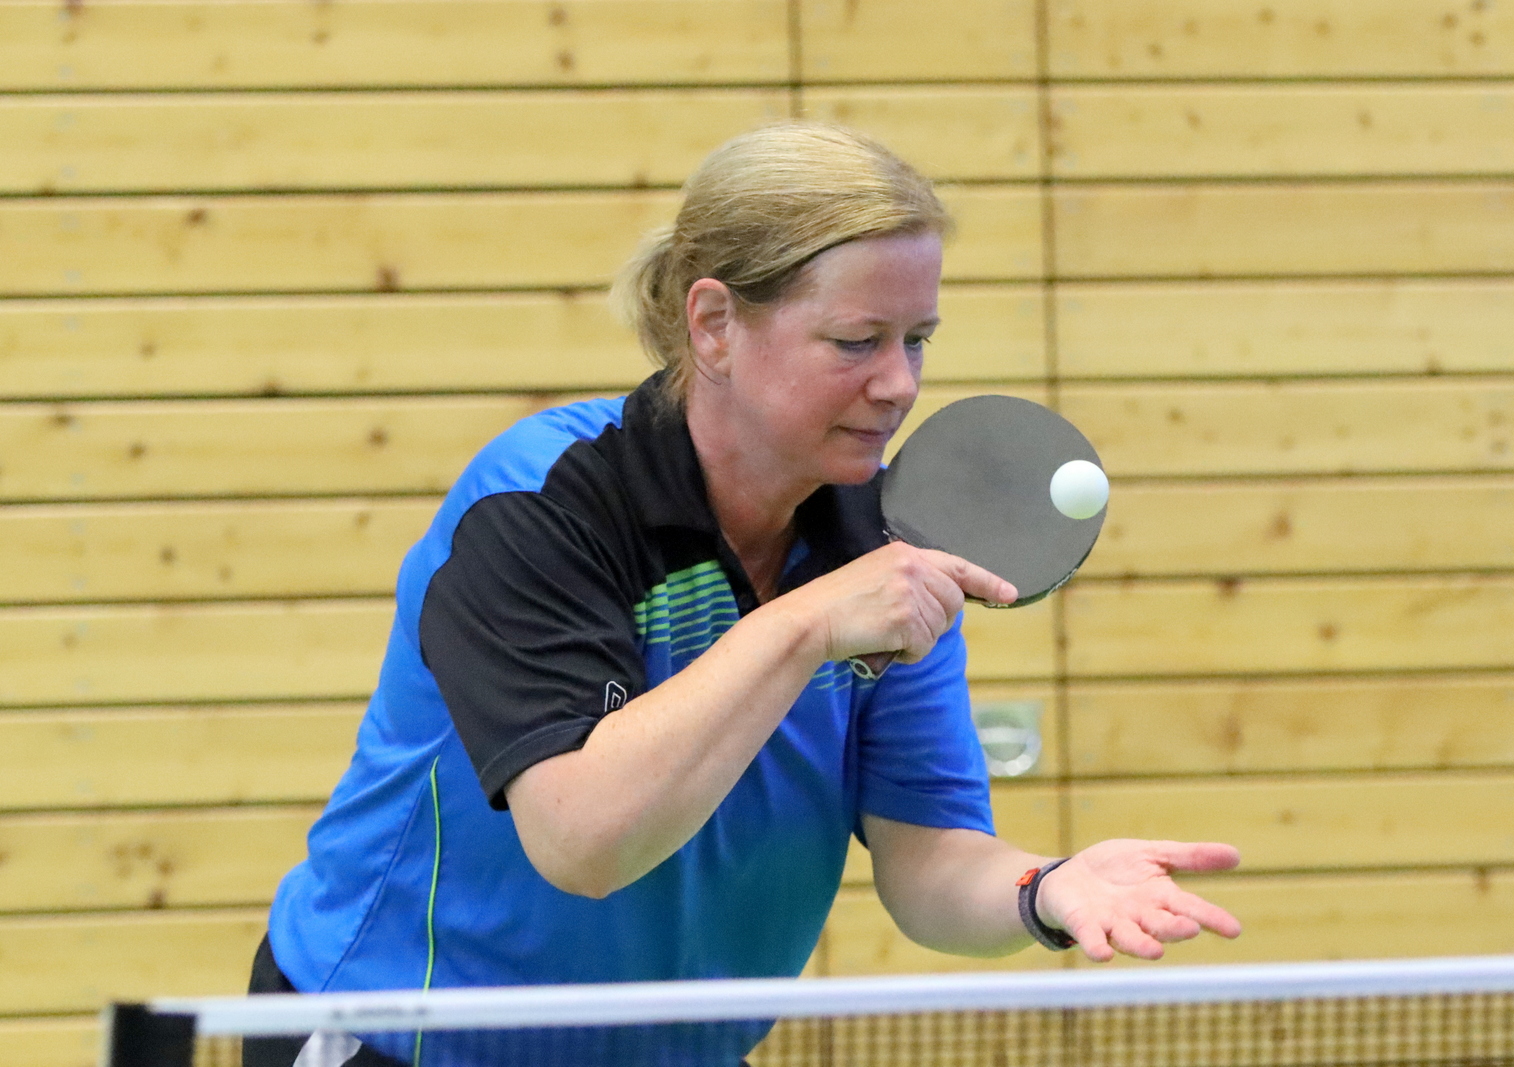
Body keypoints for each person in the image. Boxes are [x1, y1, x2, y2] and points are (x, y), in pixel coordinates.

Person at [250, 123, 1241, 1067]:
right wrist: (807, 623)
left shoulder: (887, 540)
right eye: (855, 340)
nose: (899, 384)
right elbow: (582, 841)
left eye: (917, 339)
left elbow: (929, 859)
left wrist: (1043, 889)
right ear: (715, 323)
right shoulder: (544, 504)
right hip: (404, 1038)